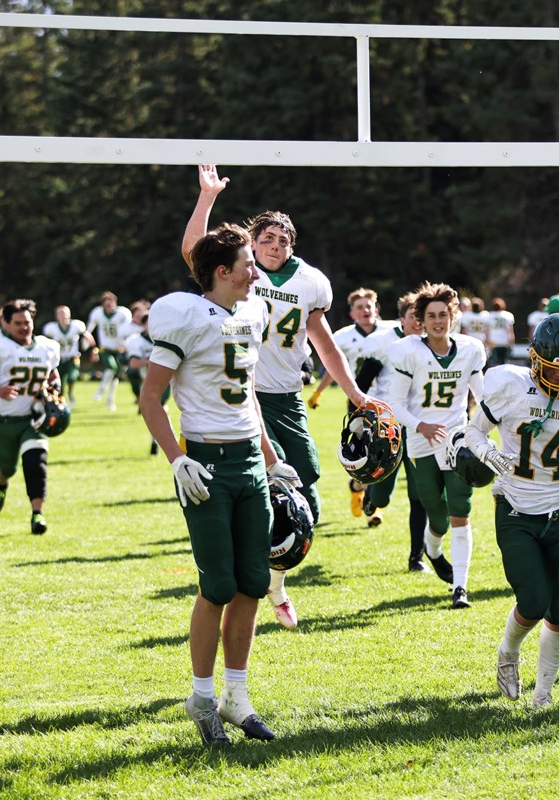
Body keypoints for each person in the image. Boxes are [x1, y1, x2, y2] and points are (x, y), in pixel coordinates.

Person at [182, 164, 377, 631]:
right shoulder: (238, 276)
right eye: (266, 239)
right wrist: (207, 197)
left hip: (287, 394)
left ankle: (273, 580)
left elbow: (324, 342)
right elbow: (193, 252)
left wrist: (353, 392)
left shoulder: (310, 282)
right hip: (238, 396)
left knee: (306, 483)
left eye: (283, 239)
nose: (275, 246)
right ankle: (258, 579)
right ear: (253, 242)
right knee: (261, 486)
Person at [140, 222, 297, 746]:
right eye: (248, 263)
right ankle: (202, 697)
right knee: (218, 586)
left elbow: (248, 388)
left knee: (254, 582)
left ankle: (236, 695)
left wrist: (271, 457)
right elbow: (150, 398)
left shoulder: (251, 310)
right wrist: (176, 459)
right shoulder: (187, 317)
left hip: (250, 460)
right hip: (205, 462)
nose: (257, 270)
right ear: (223, 273)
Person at [464, 313, 559, 707]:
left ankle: (543, 693)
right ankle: (508, 653)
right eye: (552, 369)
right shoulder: (510, 386)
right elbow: (473, 430)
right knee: (532, 600)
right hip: (515, 505)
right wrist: (488, 453)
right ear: (535, 359)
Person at [387, 282, 487, 608]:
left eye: (443, 314)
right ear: (421, 320)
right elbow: (395, 403)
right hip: (420, 440)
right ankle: (432, 550)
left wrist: (481, 433)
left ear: (453, 316)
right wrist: (421, 425)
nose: (438, 321)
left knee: (461, 509)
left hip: (456, 439)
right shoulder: (409, 351)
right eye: (431, 316)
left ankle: (460, 587)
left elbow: (483, 396)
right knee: (437, 516)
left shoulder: (470, 349)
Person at [0, 299, 61, 535]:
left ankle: (37, 514)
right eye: (18, 323)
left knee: (36, 463)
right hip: (7, 420)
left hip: (34, 419)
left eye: (27, 322)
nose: (24, 327)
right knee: (7, 467)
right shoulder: (1, 348)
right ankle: (2, 483)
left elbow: (53, 376)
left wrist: (53, 393)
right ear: (8, 324)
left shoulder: (47, 347)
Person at [355, 291, 430, 563]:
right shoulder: (384, 344)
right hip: (389, 427)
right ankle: (373, 499)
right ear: (401, 319)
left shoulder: (433, 345)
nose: (420, 322)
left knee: (419, 493)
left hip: (420, 427)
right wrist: (359, 422)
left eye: (423, 317)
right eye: (414, 316)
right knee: (383, 496)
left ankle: (416, 556)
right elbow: (360, 385)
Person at [308, 287, 389, 516]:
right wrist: (319, 392)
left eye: (368, 306)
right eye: (359, 307)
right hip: (358, 400)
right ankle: (361, 491)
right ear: (352, 313)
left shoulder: (389, 331)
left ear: (377, 309)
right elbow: (332, 369)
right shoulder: (343, 336)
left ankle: (369, 498)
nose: (365, 310)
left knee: (385, 450)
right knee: (366, 450)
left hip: (387, 401)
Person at [125, 313, 169, 455]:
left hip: (168, 380)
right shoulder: (136, 340)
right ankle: (158, 441)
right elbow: (133, 363)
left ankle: (159, 442)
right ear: (143, 325)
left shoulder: (168, 337)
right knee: (159, 410)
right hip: (149, 381)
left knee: (160, 409)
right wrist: (151, 362)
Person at [87, 291, 133, 411]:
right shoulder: (97, 313)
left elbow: (129, 329)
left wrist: (128, 345)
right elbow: (89, 328)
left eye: (112, 304)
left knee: (115, 377)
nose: (110, 307)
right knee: (112, 367)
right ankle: (100, 390)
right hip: (105, 349)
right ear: (102, 305)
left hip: (119, 349)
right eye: (107, 305)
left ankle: (110, 399)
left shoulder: (122, 313)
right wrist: (88, 345)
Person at [42, 305, 95, 405]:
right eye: (61, 313)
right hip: (58, 359)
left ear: (69, 314)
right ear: (56, 316)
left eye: (65, 313)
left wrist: (93, 350)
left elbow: (87, 335)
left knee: (72, 377)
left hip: (73, 357)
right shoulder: (51, 328)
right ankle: (61, 399)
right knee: (59, 381)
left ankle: (70, 393)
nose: (63, 315)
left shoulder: (76, 325)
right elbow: (44, 341)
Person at [485, 297, 516, 367]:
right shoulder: (508, 315)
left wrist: (487, 343)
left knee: (494, 364)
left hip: (493, 342)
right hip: (504, 342)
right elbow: (510, 332)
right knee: (504, 364)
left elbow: (487, 331)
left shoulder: (489, 315)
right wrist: (512, 343)